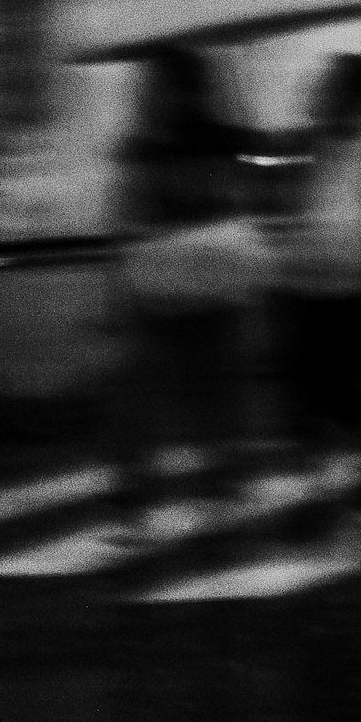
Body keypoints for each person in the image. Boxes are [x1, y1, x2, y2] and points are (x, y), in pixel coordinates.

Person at [112, 43, 268, 510]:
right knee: (145, 389)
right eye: (156, 86)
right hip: (163, 283)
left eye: (168, 85)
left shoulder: (210, 140)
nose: (160, 96)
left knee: (210, 386)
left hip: (204, 282)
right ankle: (141, 485)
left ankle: (220, 477)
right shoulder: (143, 146)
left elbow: (235, 195)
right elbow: (129, 216)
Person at [268, 52, 361, 504]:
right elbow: (289, 202)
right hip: (305, 280)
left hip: (359, 285)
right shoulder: (310, 144)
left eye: (333, 85)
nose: (325, 92)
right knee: (311, 376)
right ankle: (326, 466)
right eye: (326, 85)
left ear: (356, 97)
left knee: (350, 378)